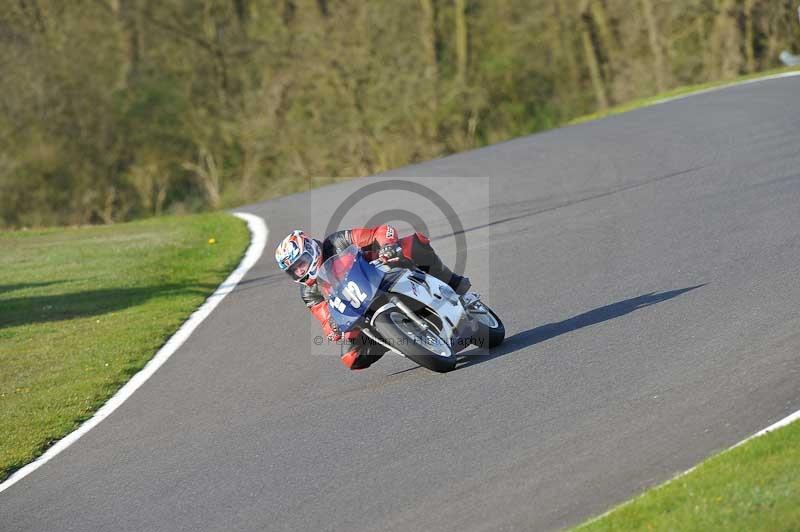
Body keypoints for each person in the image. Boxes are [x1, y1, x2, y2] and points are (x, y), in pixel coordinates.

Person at [274, 226, 470, 370]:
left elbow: (381, 231)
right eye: (294, 270)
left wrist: (387, 246)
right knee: (351, 357)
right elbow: (324, 318)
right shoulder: (308, 291)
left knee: (412, 244)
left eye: (302, 262)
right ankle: (394, 337)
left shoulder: (337, 241)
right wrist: (333, 327)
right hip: (358, 311)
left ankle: (451, 281)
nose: (301, 270)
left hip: (381, 271)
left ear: (311, 249)